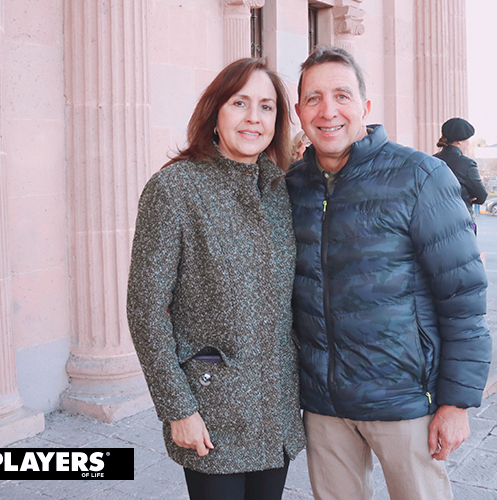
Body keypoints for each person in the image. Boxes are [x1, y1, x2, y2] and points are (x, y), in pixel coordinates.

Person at [286, 46, 492, 500]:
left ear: (365, 106)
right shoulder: (292, 185)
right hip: (324, 406)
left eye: (342, 95)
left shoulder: (420, 176)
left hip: (404, 401)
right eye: (314, 98)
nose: (328, 111)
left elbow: (463, 297)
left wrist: (456, 402)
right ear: (299, 112)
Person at [127, 58, 305, 500]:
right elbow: (145, 309)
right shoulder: (175, 189)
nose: (254, 117)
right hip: (211, 409)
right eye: (239, 103)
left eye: (266, 107)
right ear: (215, 111)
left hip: (276, 409)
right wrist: (177, 408)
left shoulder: (280, 189)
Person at [434, 117, 487, 234]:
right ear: (459, 141)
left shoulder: (431, 160)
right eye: (467, 139)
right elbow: (481, 196)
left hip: (434, 222)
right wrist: (466, 196)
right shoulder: (467, 164)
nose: (468, 143)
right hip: (460, 222)